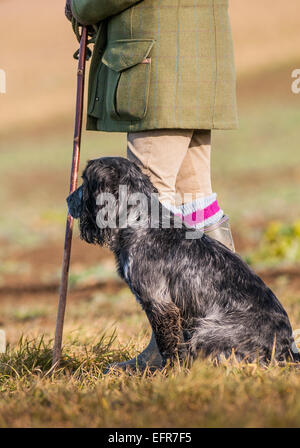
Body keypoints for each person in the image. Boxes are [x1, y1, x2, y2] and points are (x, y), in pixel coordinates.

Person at [65, 0, 238, 370]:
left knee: (146, 198)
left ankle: (168, 351)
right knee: (196, 200)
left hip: (157, 69)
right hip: (197, 60)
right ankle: (229, 333)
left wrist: (81, 7)